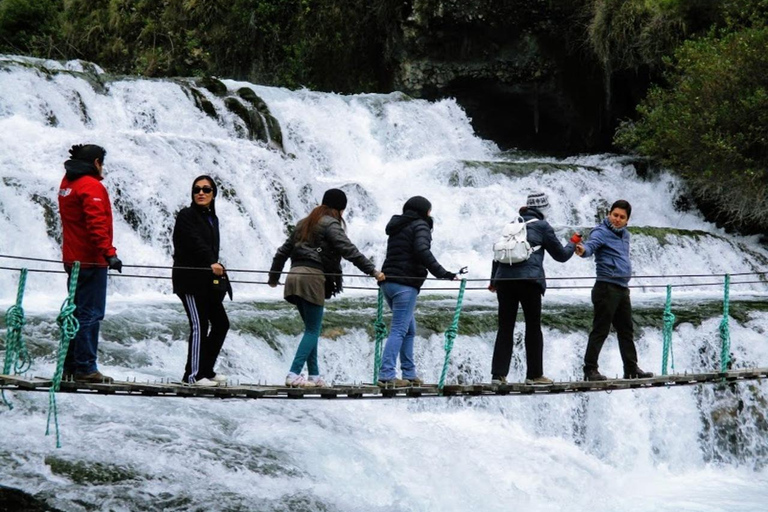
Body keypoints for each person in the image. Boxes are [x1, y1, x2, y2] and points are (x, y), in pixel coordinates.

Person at [269, 189, 385, 388]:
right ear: (340, 209)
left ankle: (314, 376)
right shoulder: (331, 224)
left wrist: (273, 278)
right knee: (313, 330)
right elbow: (348, 250)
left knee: (310, 329)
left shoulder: (303, 224)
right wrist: (373, 271)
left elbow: (282, 253)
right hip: (312, 278)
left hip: (293, 278)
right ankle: (293, 373)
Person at [488, 192, 581, 385]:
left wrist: (493, 280)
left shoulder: (512, 225)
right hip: (529, 281)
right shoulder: (542, 226)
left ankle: (498, 375)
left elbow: (499, 253)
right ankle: (534, 375)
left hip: (504, 281)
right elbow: (561, 256)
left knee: (505, 328)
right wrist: (572, 243)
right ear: (543, 209)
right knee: (533, 327)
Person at [378, 196, 458, 388]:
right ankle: (386, 374)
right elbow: (422, 251)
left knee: (409, 330)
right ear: (424, 211)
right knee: (399, 329)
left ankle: (409, 373)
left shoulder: (397, 226)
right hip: (405, 284)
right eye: (429, 210)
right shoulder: (420, 225)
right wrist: (444, 273)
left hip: (388, 283)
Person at [58, 143, 122, 383]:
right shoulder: (90, 186)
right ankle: (85, 367)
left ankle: (69, 365)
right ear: (96, 162)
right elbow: (96, 224)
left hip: (72, 259)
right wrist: (109, 254)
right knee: (90, 314)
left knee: (73, 312)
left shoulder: (67, 183)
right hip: (91, 261)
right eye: (101, 163)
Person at [575, 199, 653, 381]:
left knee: (626, 330)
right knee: (600, 329)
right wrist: (582, 250)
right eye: (615, 215)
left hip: (622, 288)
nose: (617, 219)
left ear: (627, 220)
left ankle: (631, 369)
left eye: (622, 217)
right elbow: (590, 246)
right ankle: (590, 369)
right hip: (606, 287)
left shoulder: (625, 235)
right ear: (609, 214)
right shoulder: (600, 232)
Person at [172, 175, 231, 387]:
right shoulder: (186, 215)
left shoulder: (212, 219)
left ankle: (206, 369)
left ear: (213, 194)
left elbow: (210, 248)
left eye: (206, 189)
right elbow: (193, 242)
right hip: (189, 281)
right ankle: (193, 376)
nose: (201, 193)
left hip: (207, 283)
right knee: (199, 325)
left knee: (222, 324)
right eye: (197, 189)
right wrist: (211, 262)